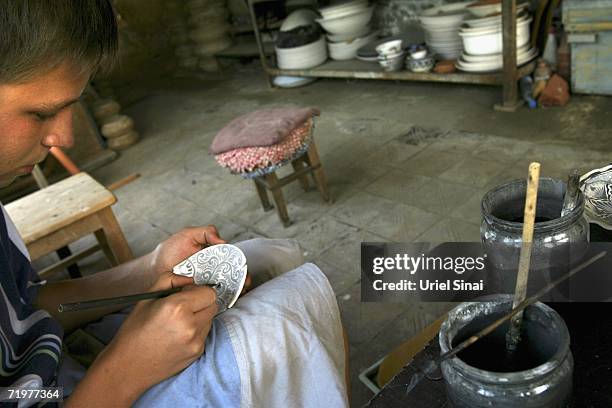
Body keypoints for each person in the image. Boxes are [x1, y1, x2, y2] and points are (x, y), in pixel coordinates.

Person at [0, 1, 348, 406]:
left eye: (69, 107)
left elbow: (25, 309)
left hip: (51, 364)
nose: (63, 137)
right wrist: (125, 368)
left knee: (272, 254)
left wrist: (150, 267)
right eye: (41, 113)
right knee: (285, 318)